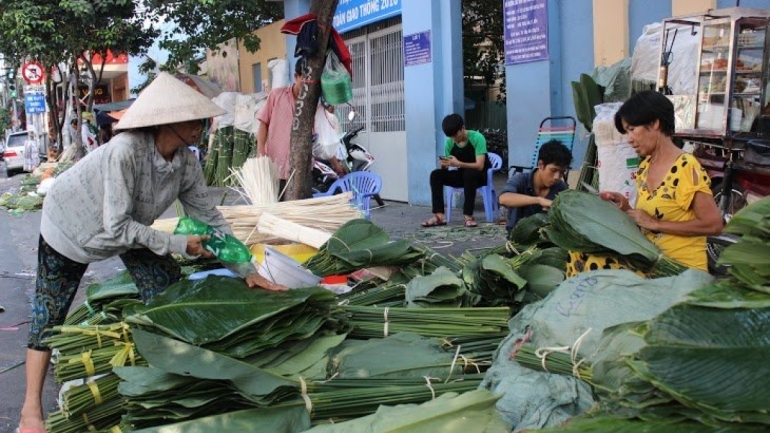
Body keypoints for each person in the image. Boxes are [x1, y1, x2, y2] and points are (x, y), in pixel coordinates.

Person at [17, 72, 285, 433]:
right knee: (48, 314)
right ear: (168, 122)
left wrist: (246, 268)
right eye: (193, 120)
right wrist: (178, 244)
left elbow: (209, 217)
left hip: (132, 227)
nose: (201, 127)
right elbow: (116, 227)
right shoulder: (126, 151)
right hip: (70, 226)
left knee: (169, 288)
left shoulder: (187, 161)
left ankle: (174, 373)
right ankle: (29, 410)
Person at [569, 91, 723, 276]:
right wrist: (625, 209)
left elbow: (713, 225)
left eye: (632, 129)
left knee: (597, 267)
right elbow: (646, 218)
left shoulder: (685, 167)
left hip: (679, 270)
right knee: (578, 251)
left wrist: (657, 224)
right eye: (626, 132)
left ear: (655, 123)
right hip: (649, 261)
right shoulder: (645, 168)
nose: (629, 138)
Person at [422, 114, 489, 228]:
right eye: (451, 137)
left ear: (462, 128)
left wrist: (458, 163)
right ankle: (439, 216)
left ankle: (468, 216)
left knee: (469, 173)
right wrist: (444, 164)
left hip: (479, 176)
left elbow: (480, 166)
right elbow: (449, 166)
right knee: (436, 175)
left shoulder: (477, 138)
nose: (454, 139)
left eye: (455, 135)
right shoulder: (450, 142)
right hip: (462, 175)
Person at [256, 59, 309, 193]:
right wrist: (260, 150)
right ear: (296, 76)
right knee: (277, 208)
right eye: (304, 79)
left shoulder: (311, 104)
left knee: (301, 211)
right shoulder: (276, 95)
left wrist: (335, 162)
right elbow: (263, 123)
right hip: (277, 168)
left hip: (301, 171)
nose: (307, 85)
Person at [498, 140, 573, 233]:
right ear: (541, 165)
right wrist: (539, 200)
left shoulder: (561, 188)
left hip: (547, 239)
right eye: (553, 170)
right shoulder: (521, 180)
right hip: (518, 238)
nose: (557, 177)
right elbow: (503, 199)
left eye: (562, 172)